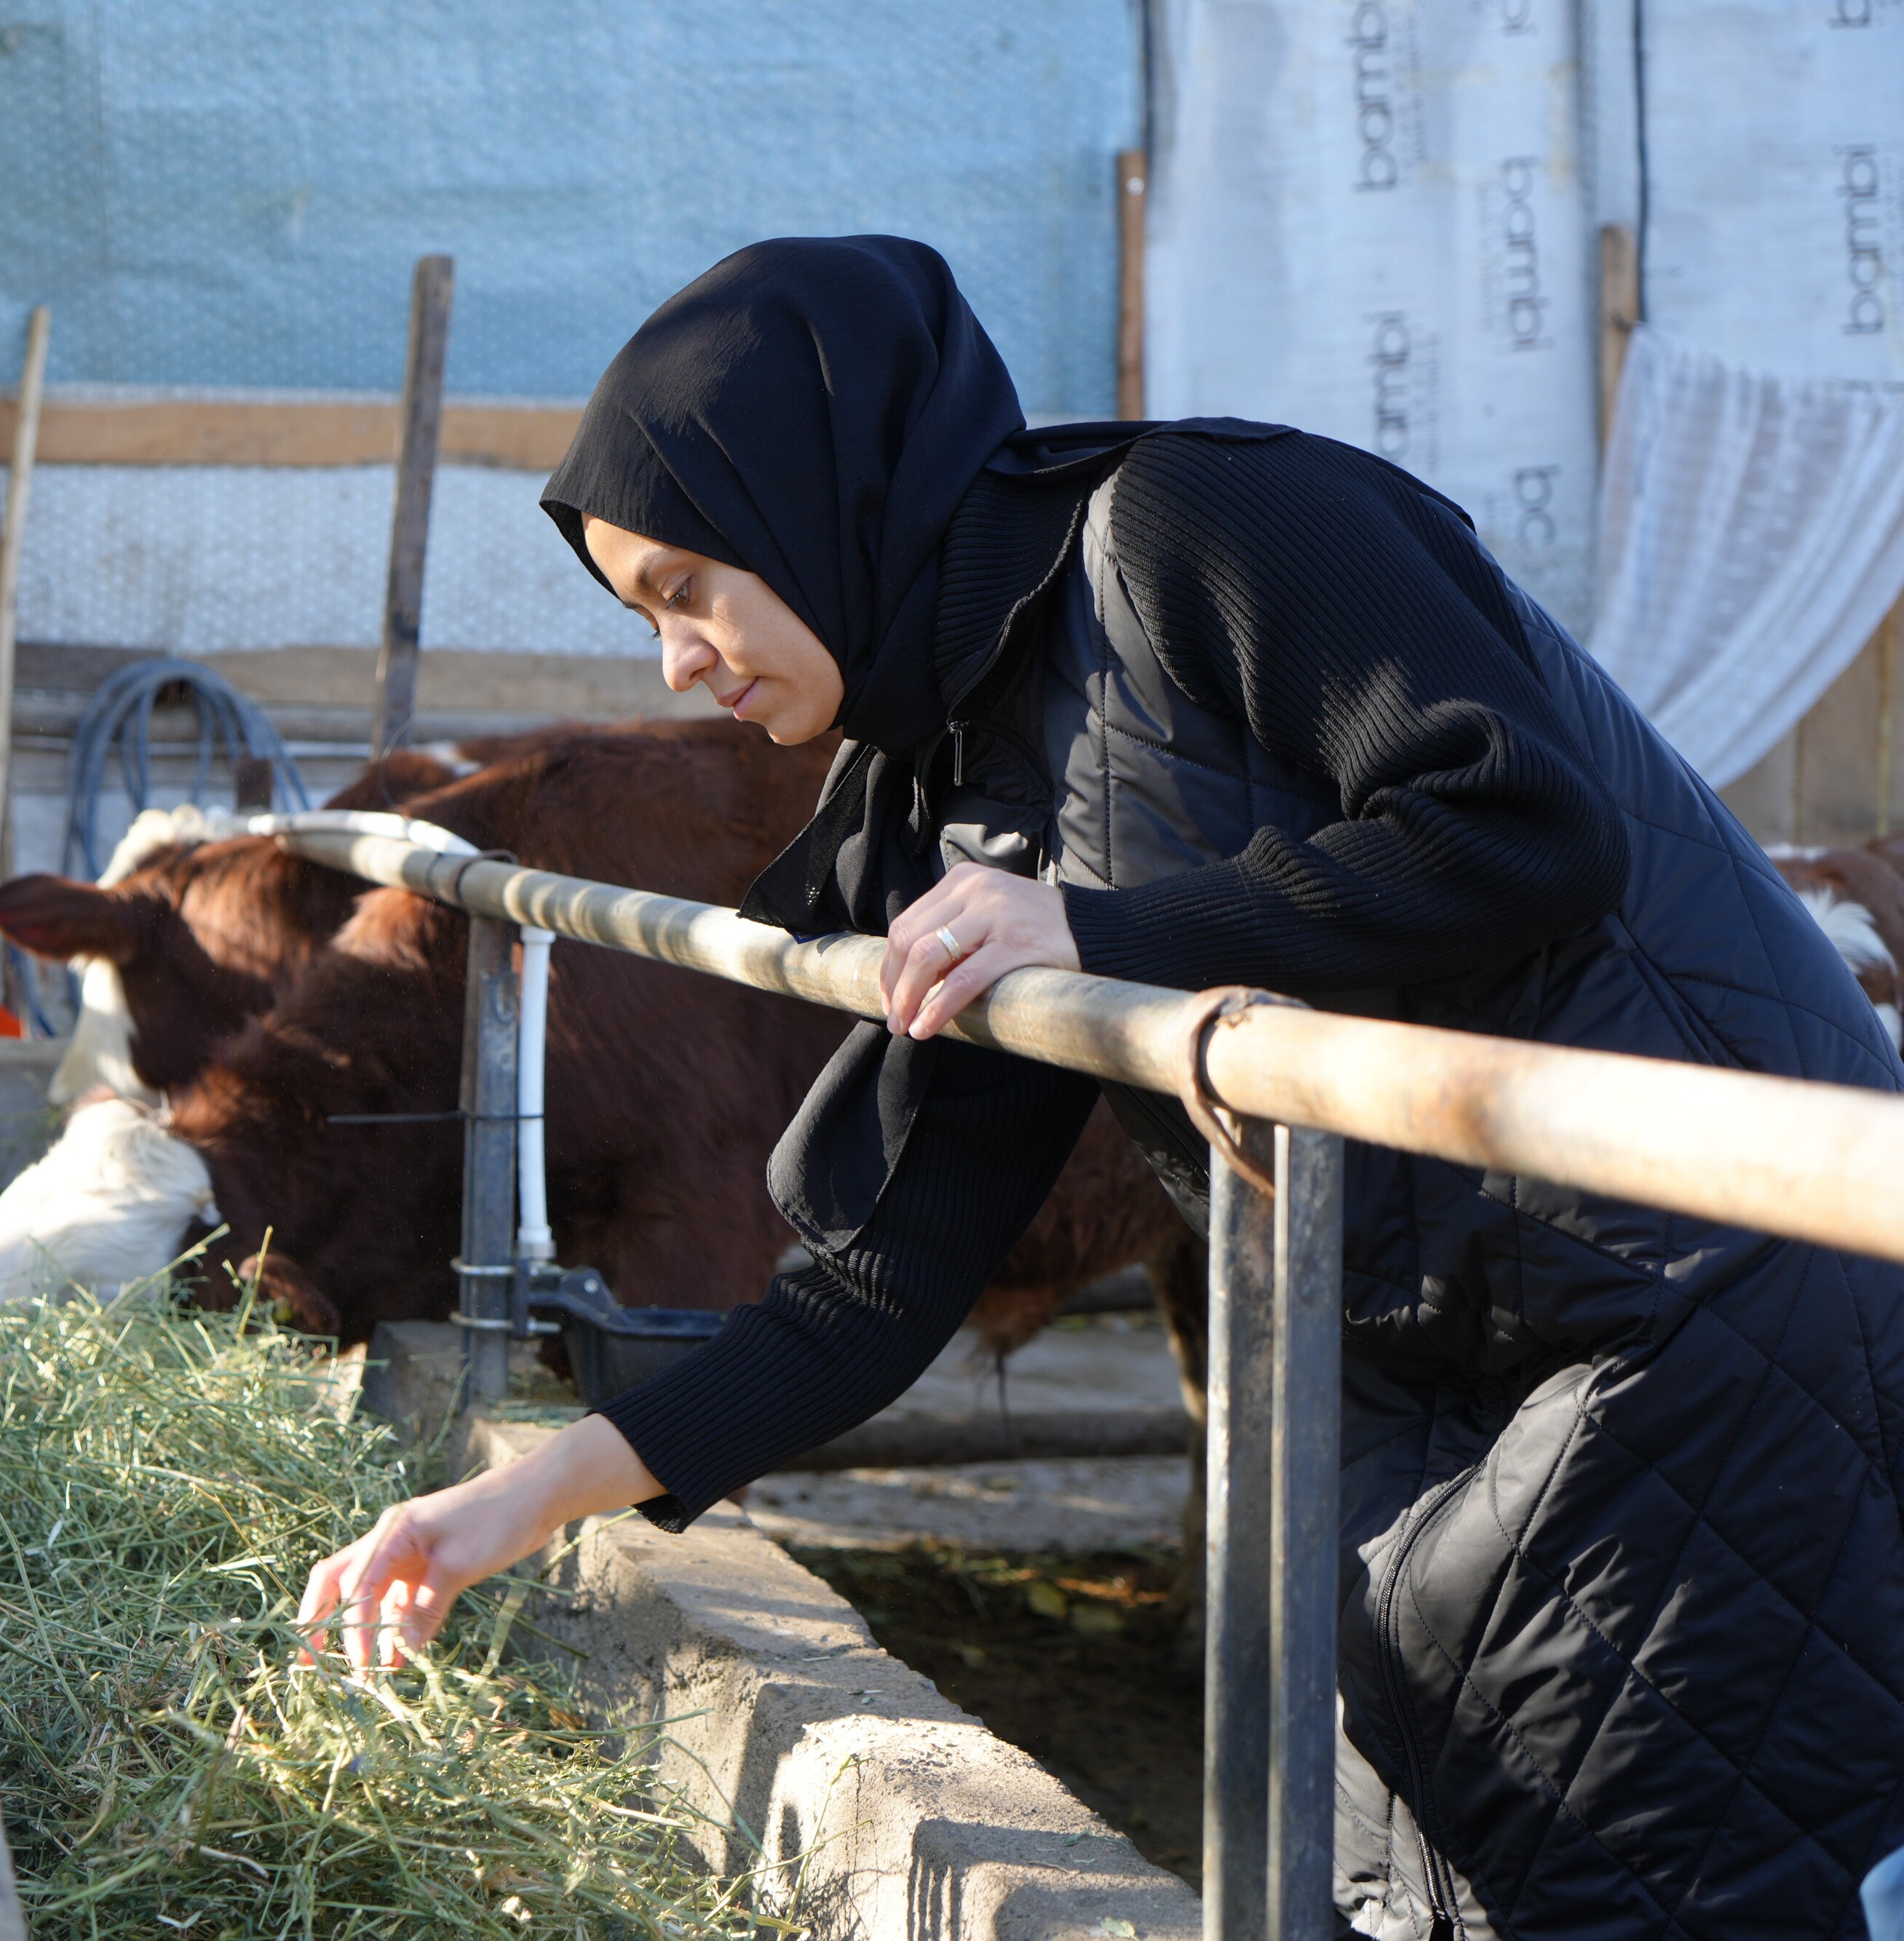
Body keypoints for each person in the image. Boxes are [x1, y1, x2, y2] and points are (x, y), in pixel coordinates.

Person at [297, 239, 1904, 1937]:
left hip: (1695, 1312)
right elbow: (883, 1275)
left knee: (1644, 1885)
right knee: (1421, 1883)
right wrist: (520, 1497)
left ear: (816, 502)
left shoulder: (1199, 521)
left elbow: (1521, 818)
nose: (675, 662)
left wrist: (1104, 926)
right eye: (645, 617)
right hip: (1425, 1377)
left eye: (687, 586)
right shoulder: (960, 772)